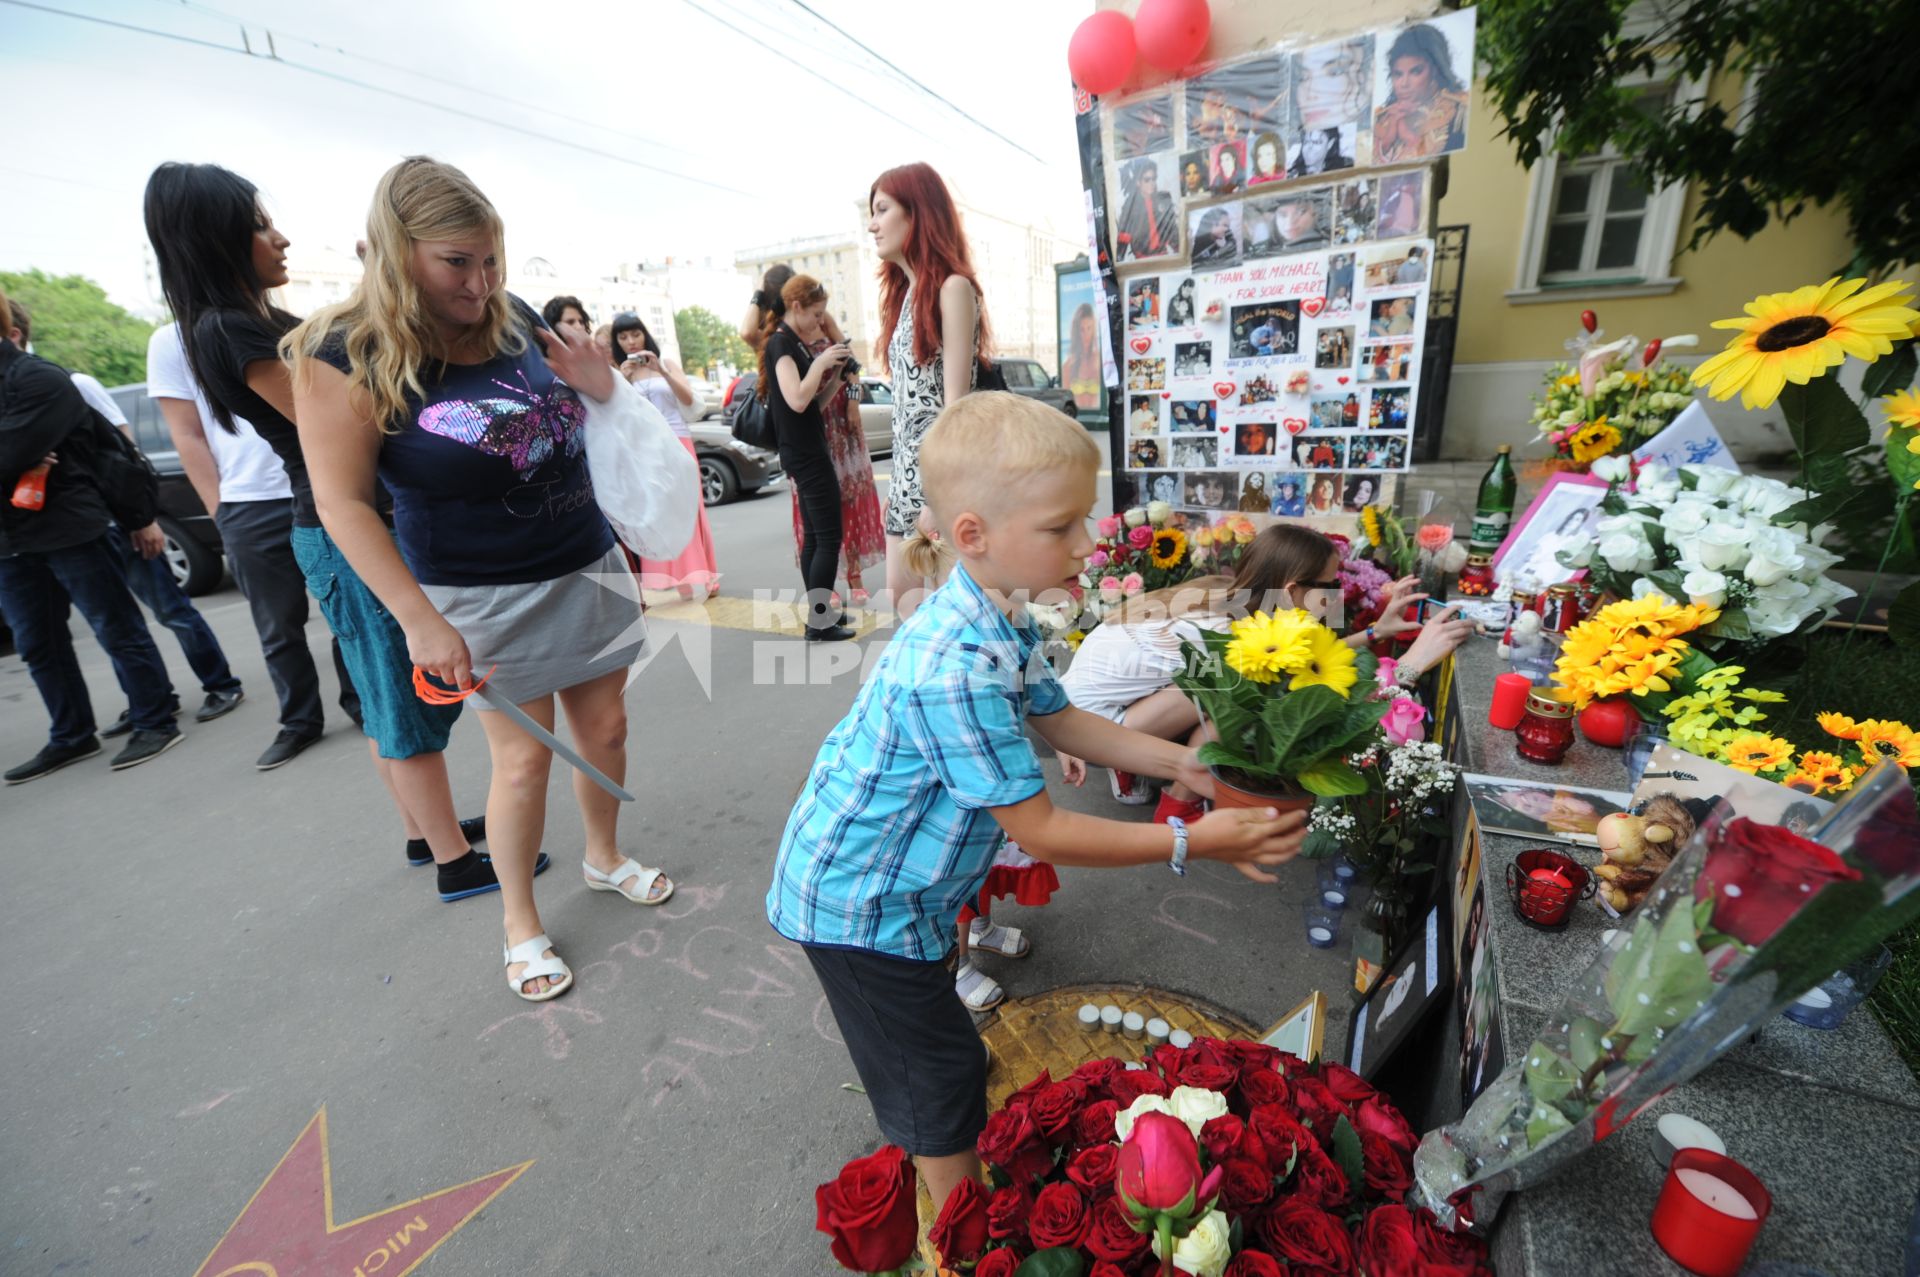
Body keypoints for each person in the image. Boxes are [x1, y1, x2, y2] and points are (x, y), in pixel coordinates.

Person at [768, 392, 1305, 1212]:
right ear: (975, 533)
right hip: (857, 910)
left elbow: (1061, 717)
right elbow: (1043, 830)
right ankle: (958, 1226)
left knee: (935, 1021)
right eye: (1063, 527)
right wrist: (1192, 843)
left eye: (1085, 520)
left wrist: (1182, 767)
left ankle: (942, 1067)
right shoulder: (957, 663)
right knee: (936, 1088)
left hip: (905, 897)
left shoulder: (1003, 613)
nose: (1088, 544)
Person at [288, 157, 673, 995]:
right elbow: (343, 503)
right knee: (523, 763)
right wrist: (420, 620)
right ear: (398, 253)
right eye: (455, 262)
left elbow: (585, 404)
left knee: (606, 731)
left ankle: (603, 857)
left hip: (586, 559)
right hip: (475, 589)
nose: (480, 281)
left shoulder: (512, 316)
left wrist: (598, 384)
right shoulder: (338, 352)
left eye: (491, 258)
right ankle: (520, 921)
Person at [145, 161, 499, 888]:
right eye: (260, 226)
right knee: (401, 694)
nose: (280, 239)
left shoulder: (257, 319)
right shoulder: (228, 330)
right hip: (343, 524)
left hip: (342, 520)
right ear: (215, 239)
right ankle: (454, 863)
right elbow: (343, 410)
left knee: (379, 689)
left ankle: (421, 833)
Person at [1057, 525, 1461, 824]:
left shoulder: (1231, 595)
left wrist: (1374, 633)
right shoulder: (1222, 631)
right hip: (1091, 729)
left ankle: (1145, 769)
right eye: (1330, 584)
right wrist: (1413, 663)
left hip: (1078, 707)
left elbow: (1306, 655)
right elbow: (1301, 676)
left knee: (1223, 685)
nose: (1337, 592)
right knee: (1236, 703)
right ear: (1290, 589)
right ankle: (1177, 805)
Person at [7, 300, 246, 735]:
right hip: (79, 528)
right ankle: (152, 702)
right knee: (114, 624)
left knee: (167, 609)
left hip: (114, 519)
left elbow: (123, 450)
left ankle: (221, 683)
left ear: (15, 333)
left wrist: (143, 517)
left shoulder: (72, 383)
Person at [0, 281, 186, 782]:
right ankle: (72, 736)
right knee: (37, 644)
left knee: (116, 628)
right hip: (10, 542)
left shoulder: (38, 379)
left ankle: (155, 720)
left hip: (71, 527)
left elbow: (10, 454)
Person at [870, 162, 990, 619]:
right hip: (904, 487)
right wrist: (900, 486)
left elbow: (956, 408)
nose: (872, 223)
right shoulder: (906, 298)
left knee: (951, 625)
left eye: (882, 209)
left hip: (941, 488)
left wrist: (938, 499)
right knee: (905, 611)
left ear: (916, 213)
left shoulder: (953, 289)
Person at [759, 274, 855, 640]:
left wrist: (836, 380)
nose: (820, 322)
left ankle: (821, 615)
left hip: (807, 447)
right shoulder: (781, 344)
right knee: (828, 538)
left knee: (816, 537)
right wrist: (821, 362)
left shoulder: (792, 343)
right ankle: (819, 622)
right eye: (816, 314)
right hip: (805, 453)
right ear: (795, 306)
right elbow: (796, 398)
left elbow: (810, 406)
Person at [782, 279, 883, 608]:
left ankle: (854, 576)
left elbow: (853, 367)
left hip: (844, 426)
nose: (817, 318)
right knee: (818, 512)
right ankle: (828, 583)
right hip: (813, 428)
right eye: (815, 312)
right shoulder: (789, 340)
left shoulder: (825, 327)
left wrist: (853, 400)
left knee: (852, 502)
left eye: (820, 313)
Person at [610, 311, 720, 600]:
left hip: (678, 441)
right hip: (646, 450)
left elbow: (689, 400)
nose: (631, 341)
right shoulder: (619, 373)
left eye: (635, 334)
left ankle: (707, 574)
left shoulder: (667, 364)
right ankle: (680, 578)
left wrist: (662, 371)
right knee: (660, 516)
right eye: (623, 336)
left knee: (692, 510)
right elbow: (614, 415)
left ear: (645, 334)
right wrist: (622, 379)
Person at [1373, 22, 1471, 162]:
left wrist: (1409, 132)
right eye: (1398, 74)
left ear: (1435, 70)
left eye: (1415, 72)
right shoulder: (1380, 119)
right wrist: (1389, 138)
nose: (1404, 83)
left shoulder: (1458, 112)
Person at [1115, 158, 1179, 263]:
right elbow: (1124, 235)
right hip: (1142, 262)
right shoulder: (1130, 205)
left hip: (1164, 257)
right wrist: (1119, 261)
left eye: (1153, 179)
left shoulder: (1163, 199)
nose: (1152, 183)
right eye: (1147, 180)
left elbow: (1172, 230)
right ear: (1138, 182)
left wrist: (1182, 254)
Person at [1062, 303, 1102, 413]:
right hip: (1077, 418)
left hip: (1097, 419)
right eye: (1082, 329)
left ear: (1094, 329)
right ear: (1076, 332)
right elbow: (1064, 402)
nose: (1086, 334)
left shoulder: (1098, 359)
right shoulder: (1068, 365)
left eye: (1089, 328)